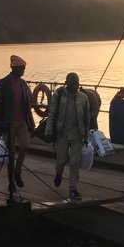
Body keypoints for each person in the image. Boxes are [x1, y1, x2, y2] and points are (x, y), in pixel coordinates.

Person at [0, 54, 35, 193]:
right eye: (22, 68)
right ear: (15, 68)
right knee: (10, 153)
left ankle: (17, 171)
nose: (24, 71)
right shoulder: (3, 83)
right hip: (9, 122)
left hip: (22, 121)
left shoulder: (23, 83)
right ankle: (11, 182)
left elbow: (27, 105)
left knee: (25, 146)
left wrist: (31, 124)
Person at [45, 72, 91, 201]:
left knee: (75, 162)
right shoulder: (58, 96)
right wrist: (49, 132)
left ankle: (73, 189)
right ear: (67, 83)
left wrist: (86, 135)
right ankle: (58, 174)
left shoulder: (83, 98)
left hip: (77, 135)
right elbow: (52, 114)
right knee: (61, 160)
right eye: (73, 83)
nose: (75, 86)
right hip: (62, 134)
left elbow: (87, 118)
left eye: (77, 83)